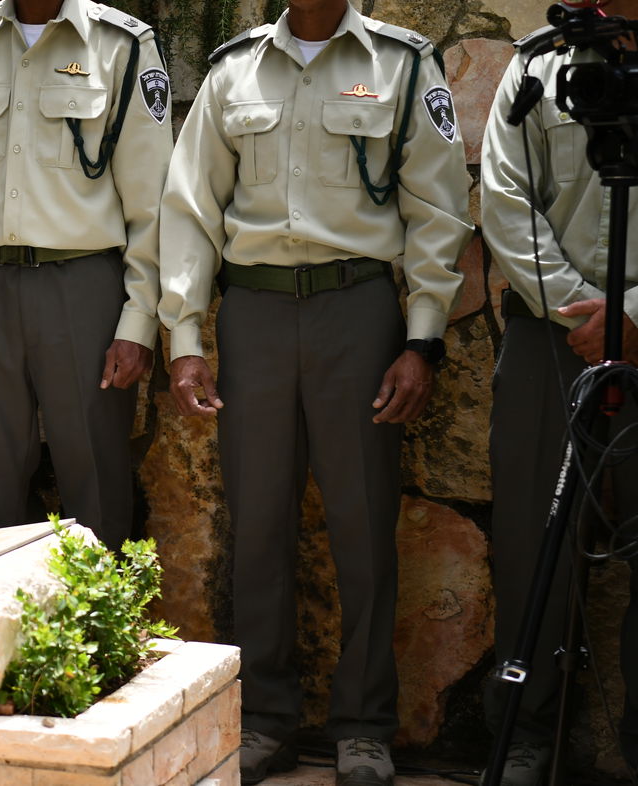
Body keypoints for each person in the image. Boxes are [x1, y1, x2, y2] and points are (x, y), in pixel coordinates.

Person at [158, 0, 472, 783]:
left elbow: (437, 207)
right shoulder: (236, 70)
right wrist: (186, 337)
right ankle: (265, 716)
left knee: (362, 525)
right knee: (257, 523)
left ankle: (363, 723)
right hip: (255, 314)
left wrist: (422, 336)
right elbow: (190, 209)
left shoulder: (400, 66)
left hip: (357, 309)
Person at [0, 0, 170, 546]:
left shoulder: (123, 45)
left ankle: (100, 631)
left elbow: (153, 200)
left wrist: (138, 320)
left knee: (96, 483)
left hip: (84, 290)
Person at [480, 0, 638, 781]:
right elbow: (505, 200)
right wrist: (585, 312)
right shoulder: (537, 65)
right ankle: (528, 729)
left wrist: (636, 317)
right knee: (527, 542)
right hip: (553, 336)